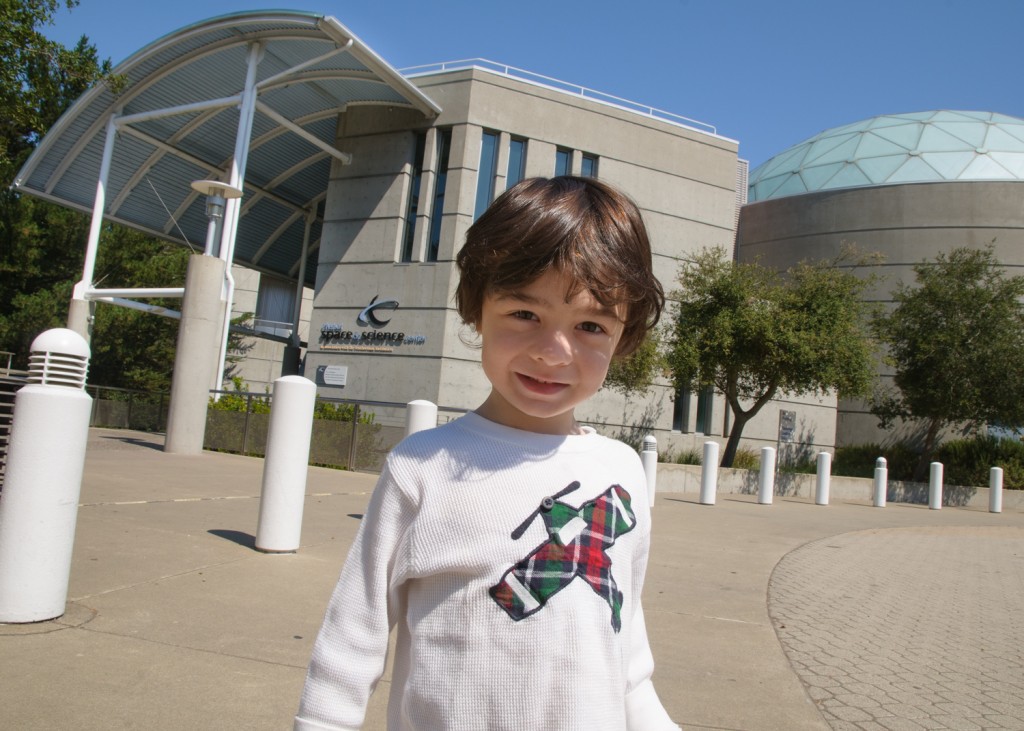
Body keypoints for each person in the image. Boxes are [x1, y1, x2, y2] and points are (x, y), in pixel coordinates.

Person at [295, 176, 680, 731]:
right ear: (479, 310)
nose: (553, 353)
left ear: (623, 336)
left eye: (591, 325)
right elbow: (352, 639)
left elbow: (626, 651)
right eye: (525, 315)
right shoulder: (421, 468)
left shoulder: (621, 470)